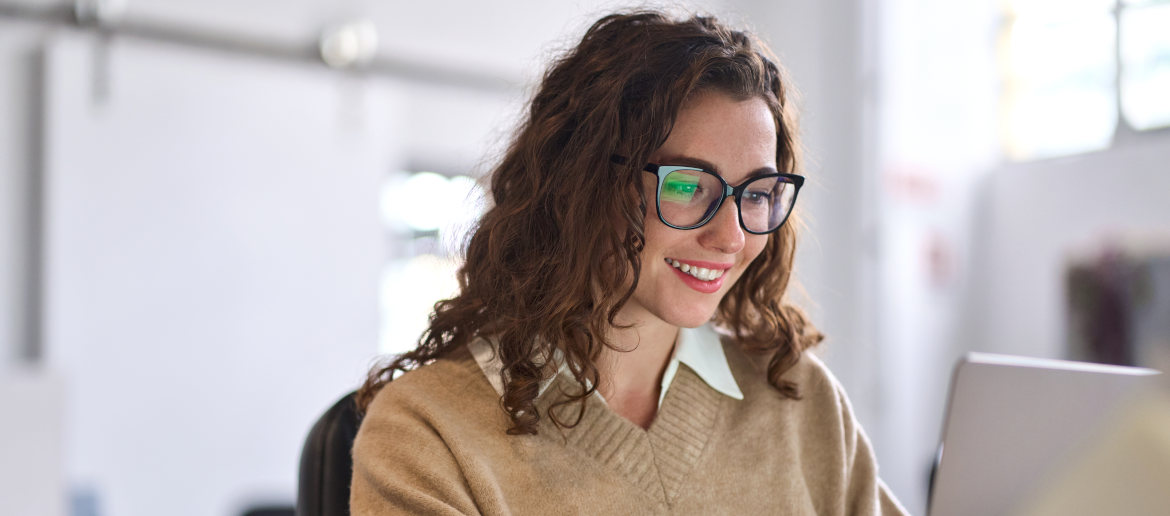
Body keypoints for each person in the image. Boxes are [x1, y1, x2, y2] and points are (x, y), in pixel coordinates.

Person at [351, 10, 907, 515]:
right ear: (581, 183)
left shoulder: (801, 402)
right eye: (688, 184)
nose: (731, 236)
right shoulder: (427, 433)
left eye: (757, 193)